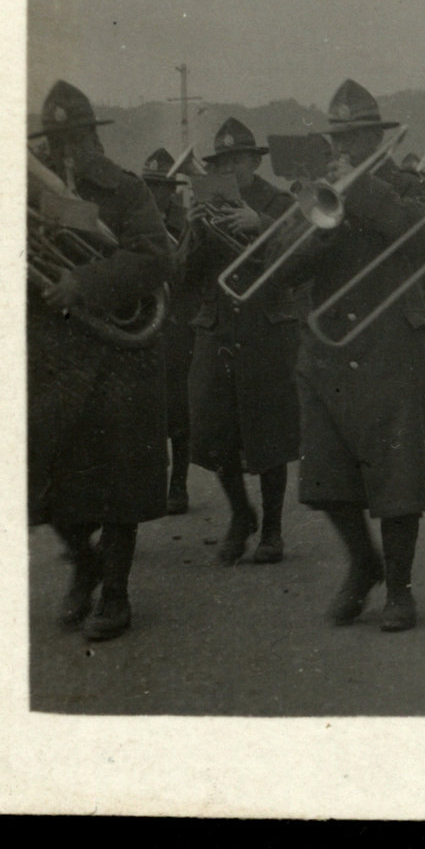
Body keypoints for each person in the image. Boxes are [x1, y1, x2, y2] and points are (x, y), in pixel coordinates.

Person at [266, 80, 425, 633]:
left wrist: (365, 189)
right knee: (327, 476)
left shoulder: (406, 184)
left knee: (399, 478)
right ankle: (363, 563)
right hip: (327, 351)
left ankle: (399, 586)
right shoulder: (312, 191)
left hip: (393, 344)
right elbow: (279, 273)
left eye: (359, 136)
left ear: (379, 137)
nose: (348, 146)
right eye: (341, 138)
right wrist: (318, 225)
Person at [27, 81, 172, 642]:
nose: (64, 150)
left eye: (74, 138)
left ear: (93, 137)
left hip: (117, 352)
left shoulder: (127, 190)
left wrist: (83, 281)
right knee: (47, 474)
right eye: (54, 140)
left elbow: (157, 259)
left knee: (118, 482)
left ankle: (115, 592)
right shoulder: (25, 193)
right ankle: (83, 564)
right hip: (52, 355)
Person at [186, 118, 302, 565]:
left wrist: (262, 224)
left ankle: (272, 526)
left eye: (239, 159)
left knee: (270, 432)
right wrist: (195, 232)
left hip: (266, 326)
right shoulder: (206, 203)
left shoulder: (279, 201)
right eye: (224, 161)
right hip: (217, 326)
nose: (232, 168)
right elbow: (185, 277)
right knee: (214, 432)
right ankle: (241, 514)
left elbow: (299, 252)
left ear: (255, 161)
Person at [141, 148, 197, 514]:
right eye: (149, 186)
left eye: (161, 187)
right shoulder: (137, 220)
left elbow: (187, 274)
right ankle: (154, 484)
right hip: (147, 323)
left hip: (178, 323)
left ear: (171, 190)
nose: (154, 193)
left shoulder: (186, 223)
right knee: (148, 410)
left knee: (179, 409)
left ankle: (179, 484)